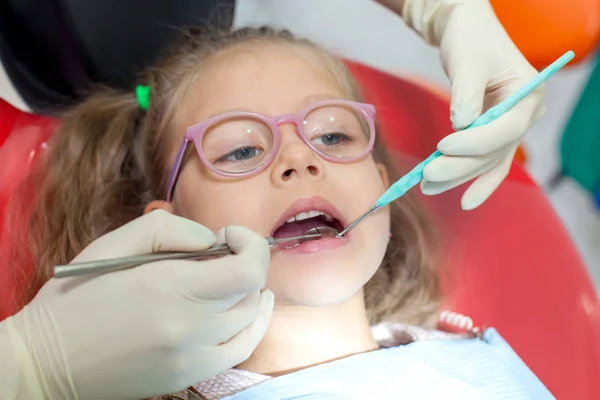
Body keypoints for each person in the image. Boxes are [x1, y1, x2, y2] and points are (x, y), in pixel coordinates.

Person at [0, 23, 552, 399]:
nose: (298, 158)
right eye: (240, 149)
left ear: (384, 186)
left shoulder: (466, 351)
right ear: (165, 230)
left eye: (333, 135)